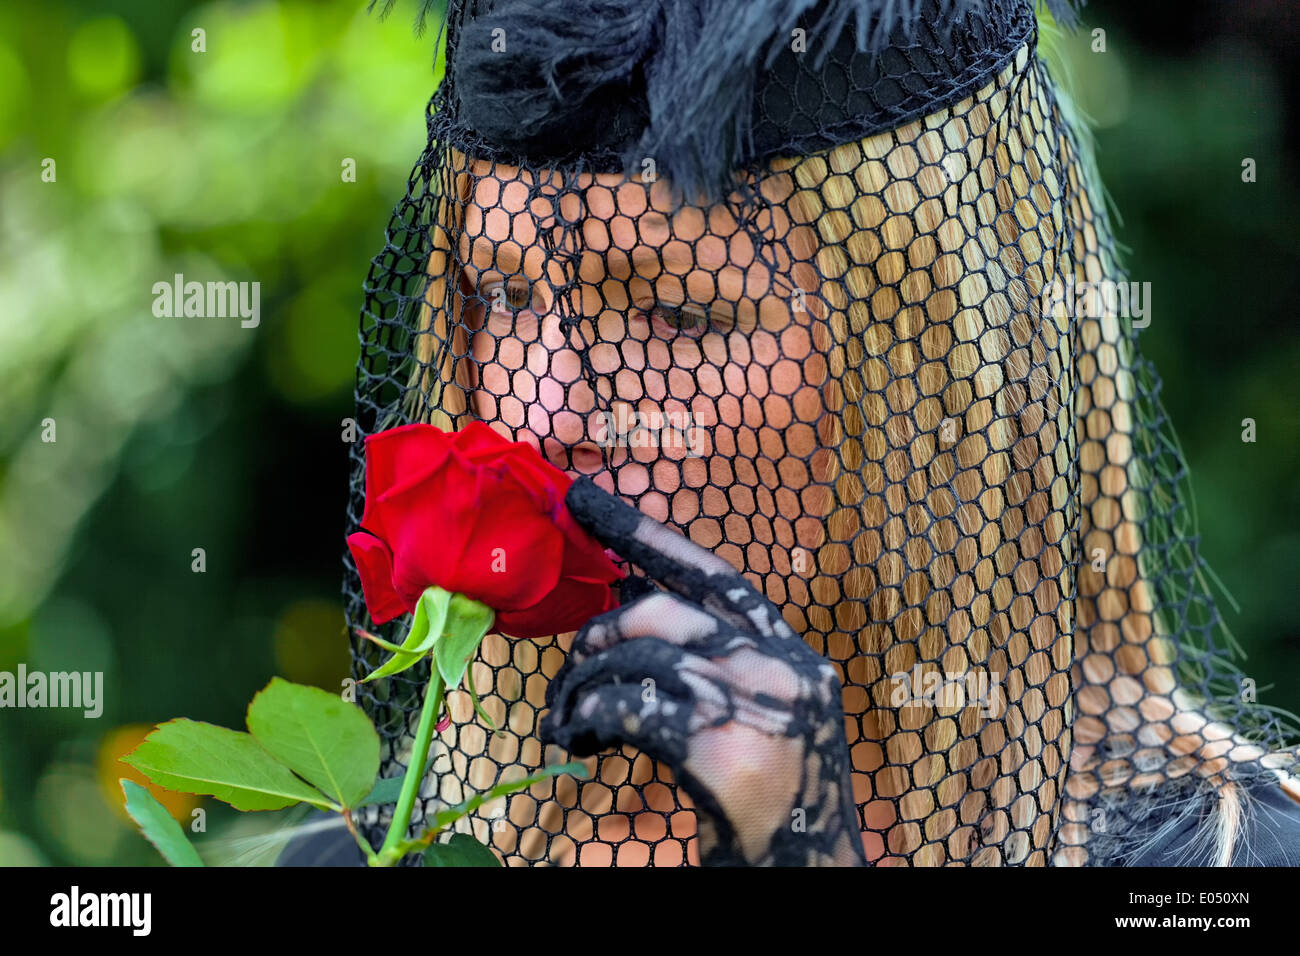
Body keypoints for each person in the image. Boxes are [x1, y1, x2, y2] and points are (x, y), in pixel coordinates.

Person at [317, 0, 1300, 866]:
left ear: (940, 359)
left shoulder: (1223, 861)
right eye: (502, 294)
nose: (550, 412)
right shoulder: (375, 846)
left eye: (681, 316)